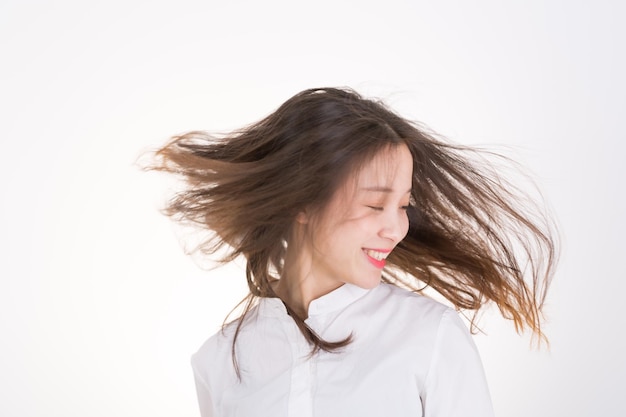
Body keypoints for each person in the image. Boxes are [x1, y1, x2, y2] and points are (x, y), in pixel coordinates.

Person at [150, 87, 558, 417]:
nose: (397, 227)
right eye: (375, 205)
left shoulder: (429, 338)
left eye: (403, 206)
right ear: (303, 201)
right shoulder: (220, 361)